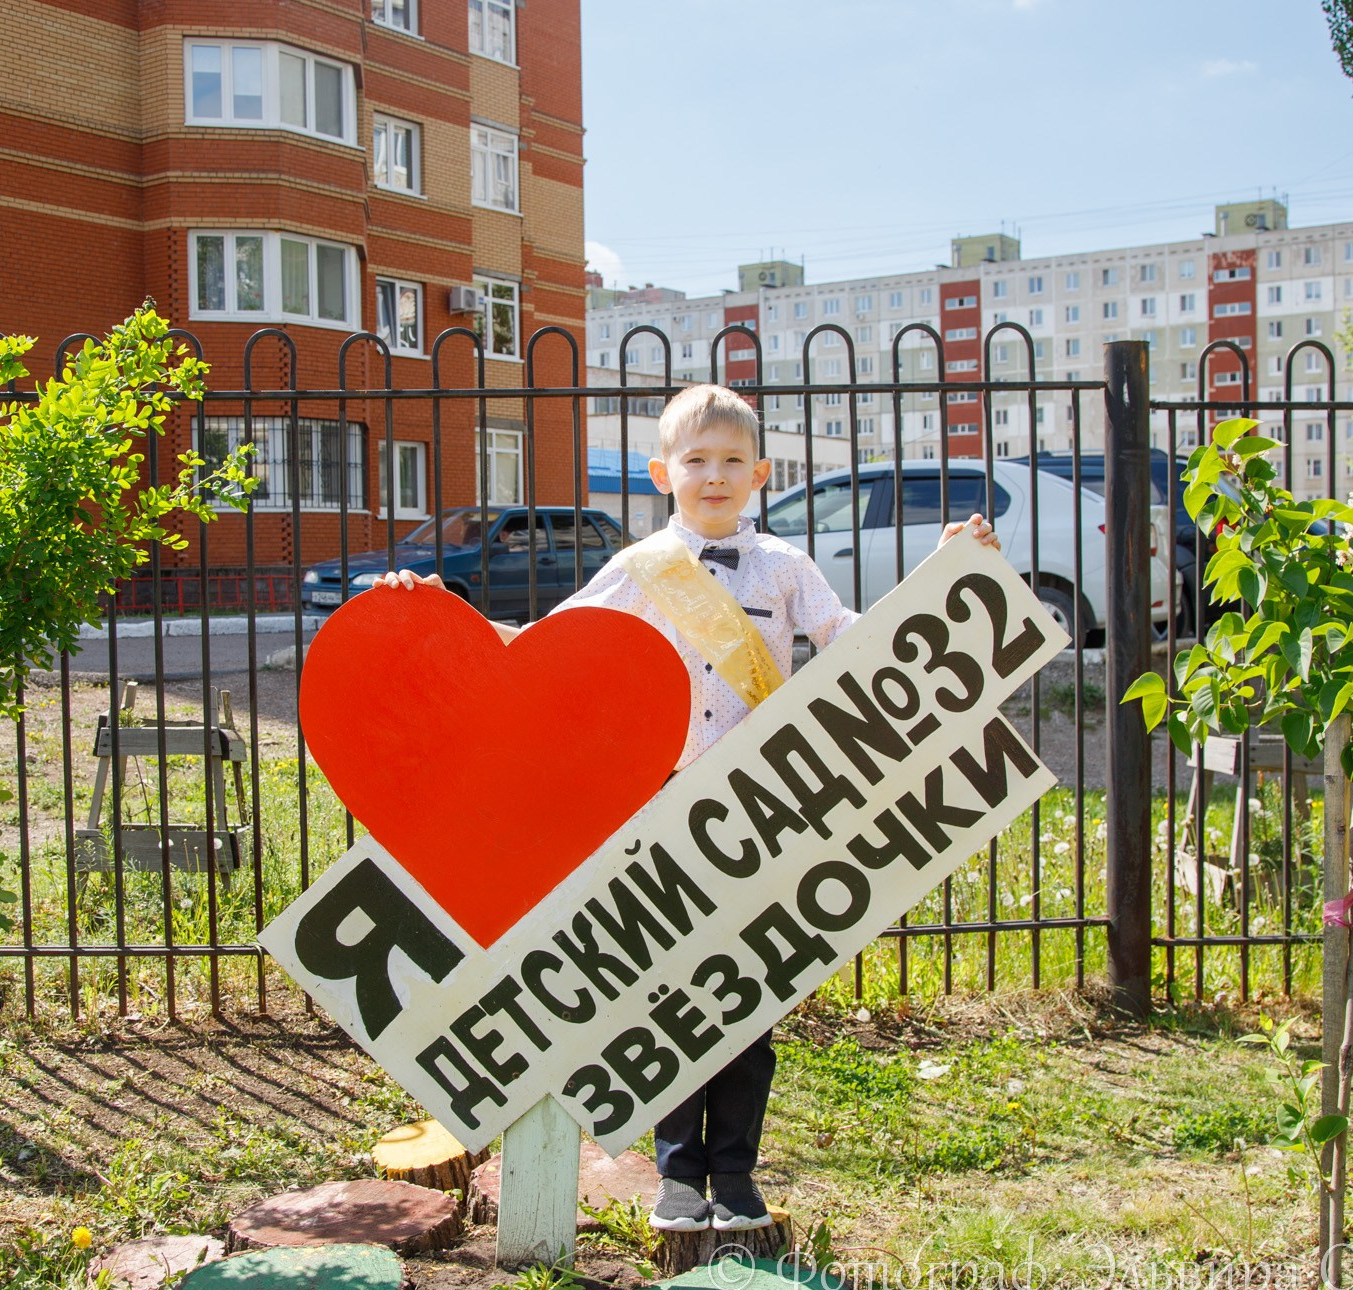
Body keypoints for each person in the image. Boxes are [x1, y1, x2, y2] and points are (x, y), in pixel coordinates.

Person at [376, 383, 1000, 1234]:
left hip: (764, 808)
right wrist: (435, 606)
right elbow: (548, 641)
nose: (715, 475)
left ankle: (736, 1173)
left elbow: (854, 637)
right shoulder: (637, 569)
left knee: (747, 997)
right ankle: (677, 1172)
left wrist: (943, 577)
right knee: (672, 999)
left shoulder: (785, 568)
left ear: (761, 473)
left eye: (733, 461)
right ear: (660, 470)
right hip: (665, 809)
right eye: (697, 460)